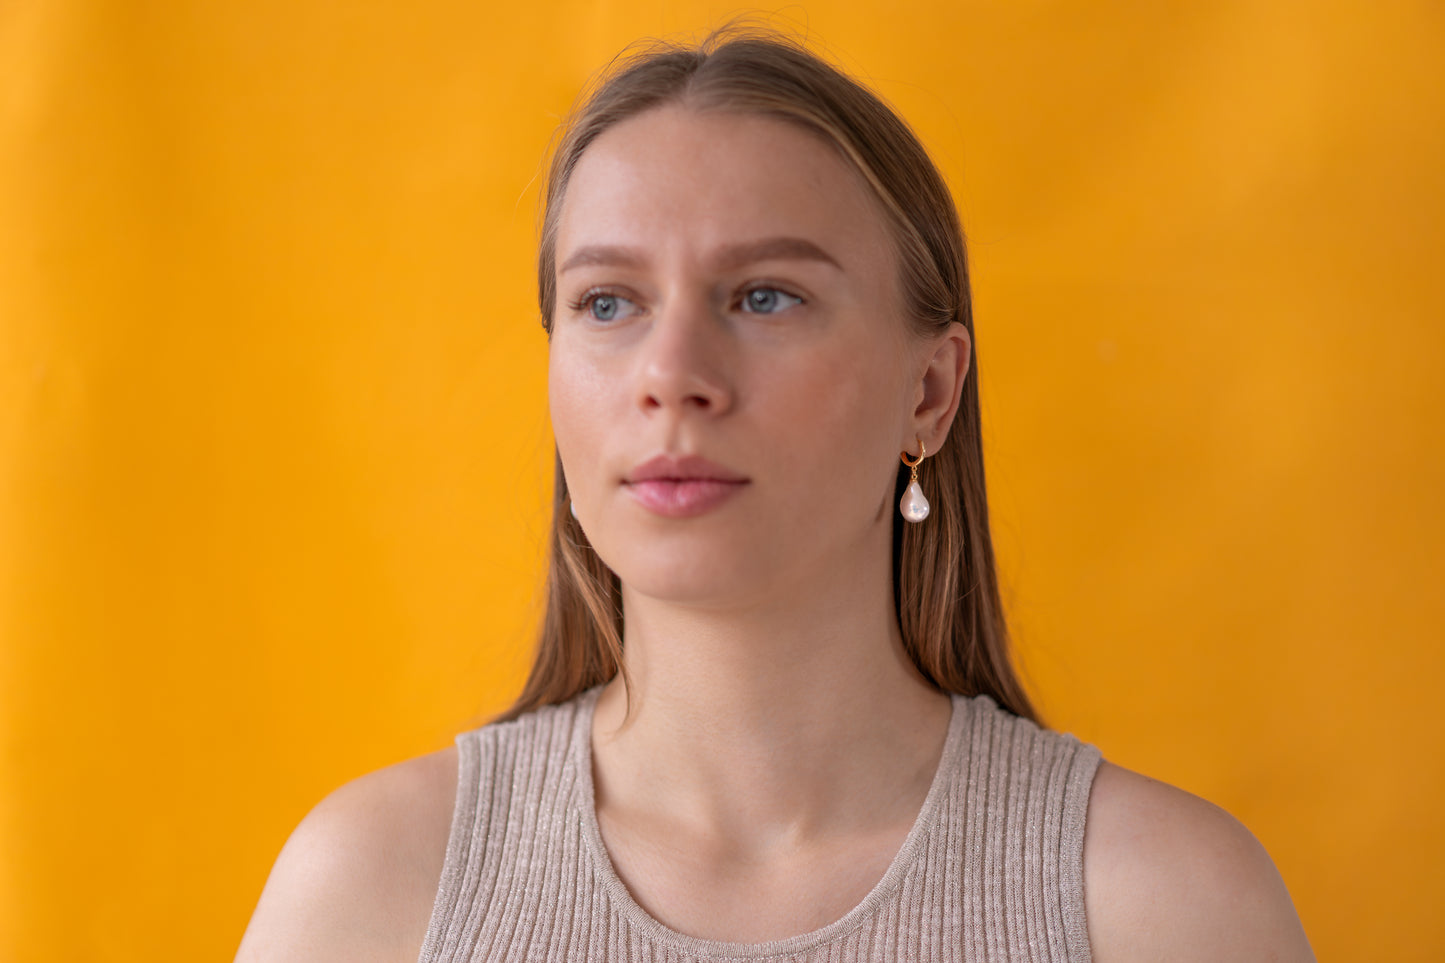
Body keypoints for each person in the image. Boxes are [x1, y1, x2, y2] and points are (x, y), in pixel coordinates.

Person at [236, 26, 1315, 962]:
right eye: (607, 302)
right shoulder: (375, 891)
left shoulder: (1159, 908)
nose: (670, 374)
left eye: (764, 296)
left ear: (928, 394)